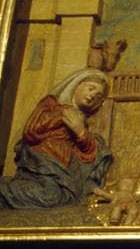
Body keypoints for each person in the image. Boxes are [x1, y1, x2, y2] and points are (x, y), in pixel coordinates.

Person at [0, 68, 112, 209]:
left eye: (98, 96)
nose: (92, 96)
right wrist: (60, 117)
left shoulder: (81, 119)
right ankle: (3, 188)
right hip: (43, 161)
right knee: (50, 197)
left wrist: (80, 131)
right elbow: (30, 131)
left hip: (62, 168)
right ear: (76, 85)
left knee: (64, 199)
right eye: (90, 89)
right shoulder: (51, 105)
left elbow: (88, 152)